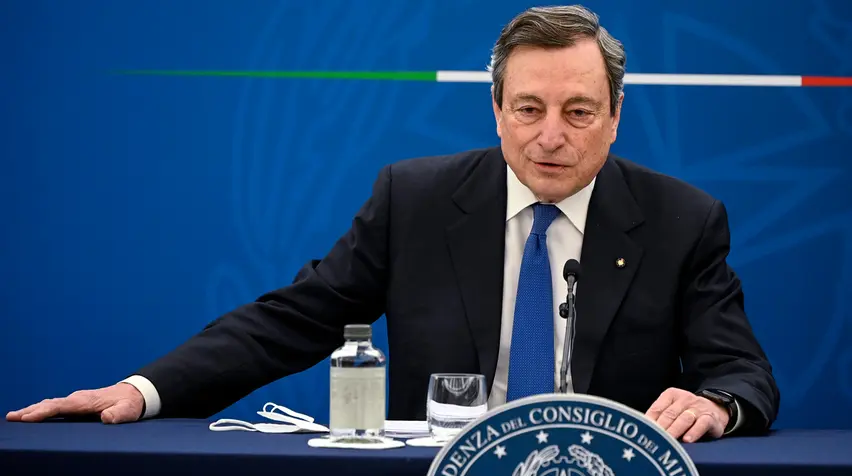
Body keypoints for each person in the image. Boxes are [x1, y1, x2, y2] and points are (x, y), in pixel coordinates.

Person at [6, 5, 779, 442]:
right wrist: (143, 391)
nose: (551, 136)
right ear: (497, 112)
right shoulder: (416, 200)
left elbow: (744, 375)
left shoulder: (683, 220)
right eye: (529, 109)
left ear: (614, 119)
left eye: (578, 112)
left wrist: (718, 403)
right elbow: (293, 320)